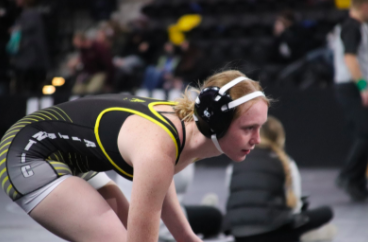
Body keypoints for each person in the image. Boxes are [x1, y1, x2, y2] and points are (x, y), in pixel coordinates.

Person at [0, 70, 269, 242]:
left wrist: (186, 237)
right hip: (27, 152)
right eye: (249, 128)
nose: (257, 139)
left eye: (259, 127)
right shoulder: (159, 149)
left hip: (67, 152)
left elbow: (161, 183)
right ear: (217, 123)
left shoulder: (188, 132)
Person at [223, 116, 335, 242]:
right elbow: (295, 205)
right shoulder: (284, 161)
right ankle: (311, 236)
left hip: (239, 235)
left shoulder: (236, 161)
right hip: (271, 232)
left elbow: (231, 196)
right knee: (326, 212)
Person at [331, 0, 368, 201]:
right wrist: (363, 87)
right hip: (351, 87)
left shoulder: (358, 27)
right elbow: (350, 58)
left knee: (363, 133)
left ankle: (356, 182)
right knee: (365, 132)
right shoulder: (351, 27)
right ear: (364, 6)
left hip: (355, 86)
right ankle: (348, 176)